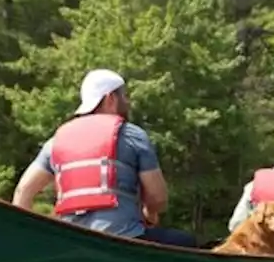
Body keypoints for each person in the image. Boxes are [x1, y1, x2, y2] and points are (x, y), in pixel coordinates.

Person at [11, 68, 197, 247]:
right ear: (110, 99)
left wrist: (25, 239)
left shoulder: (56, 141)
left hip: (71, 242)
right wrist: (150, 213)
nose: (128, 102)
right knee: (187, 242)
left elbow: (22, 192)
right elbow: (158, 198)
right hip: (124, 240)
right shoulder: (133, 135)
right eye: (124, 96)